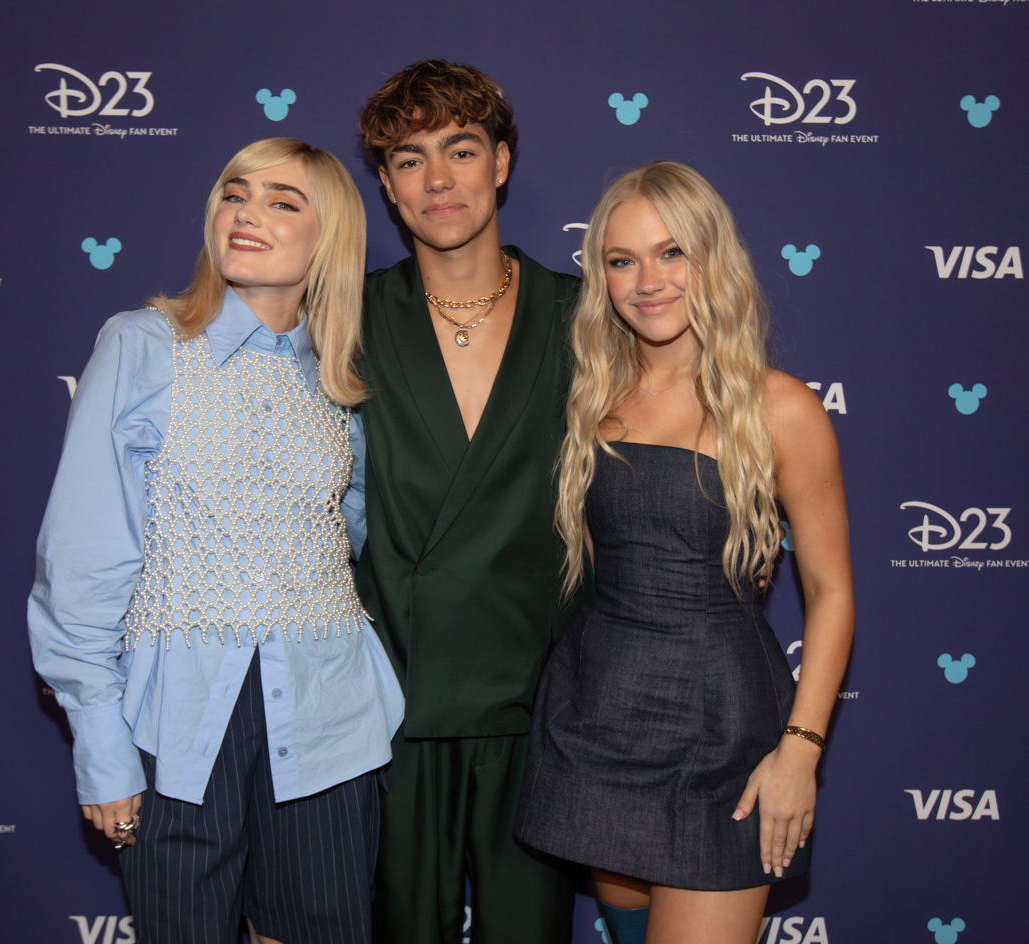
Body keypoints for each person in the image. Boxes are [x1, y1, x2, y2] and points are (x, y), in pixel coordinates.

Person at [28, 137, 404, 944]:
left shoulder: (338, 380)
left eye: (282, 202)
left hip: (326, 713)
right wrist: (101, 740)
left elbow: (347, 532)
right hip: (178, 719)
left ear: (329, 237)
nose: (246, 214)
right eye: (235, 194)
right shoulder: (142, 345)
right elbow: (85, 556)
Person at [515, 161, 855, 944]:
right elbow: (611, 561)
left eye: (672, 253)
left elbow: (832, 592)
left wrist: (800, 753)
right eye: (622, 260)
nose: (648, 281)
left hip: (722, 735)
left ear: (713, 259)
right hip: (598, 721)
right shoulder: (593, 398)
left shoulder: (781, 407)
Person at [355, 60, 579, 944]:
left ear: (503, 162)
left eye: (460, 149)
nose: (438, 180)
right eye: (410, 159)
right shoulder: (344, 317)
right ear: (385, 184)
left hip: (543, 707)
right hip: (388, 708)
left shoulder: (587, 314)